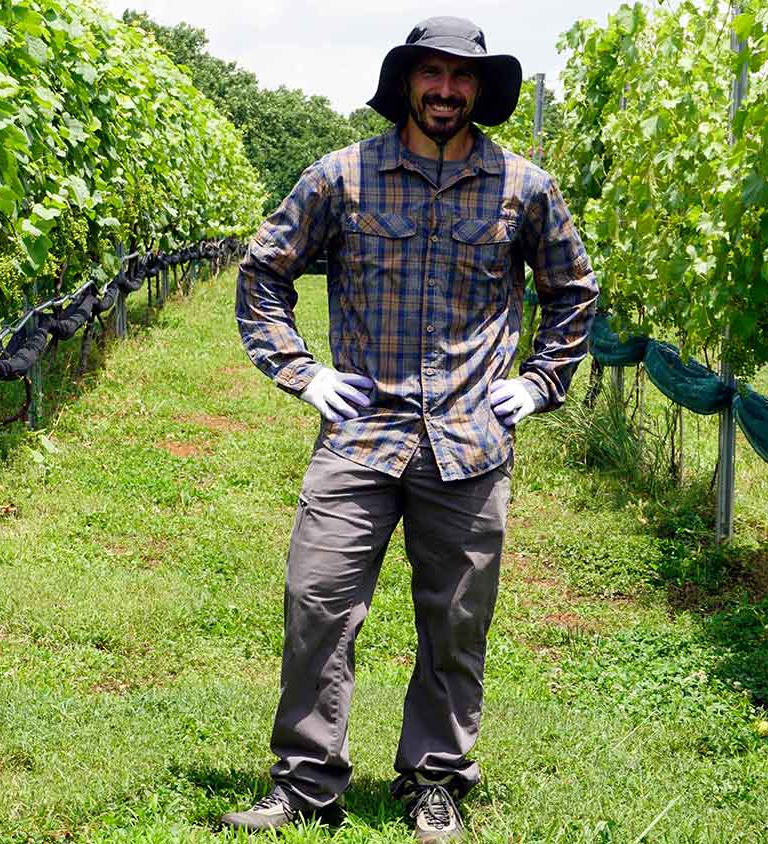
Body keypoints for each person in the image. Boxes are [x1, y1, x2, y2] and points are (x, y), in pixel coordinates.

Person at [224, 15, 599, 843]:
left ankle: (434, 782)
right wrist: (304, 372)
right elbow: (262, 273)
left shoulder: (523, 186)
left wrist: (540, 383)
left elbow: (573, 290)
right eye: (432, 73)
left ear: (481, 91)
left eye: (463, 77)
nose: (446, 89)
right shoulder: (341, 177)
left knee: (457, 622)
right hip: (362, 435)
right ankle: (305, 783)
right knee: (316, 602)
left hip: (468, 442)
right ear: (406, 82)